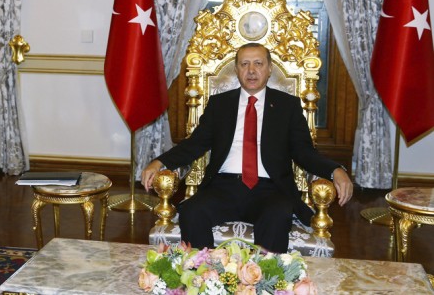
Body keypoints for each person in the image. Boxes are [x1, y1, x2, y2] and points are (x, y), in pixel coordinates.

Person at [141, 43, 353, 253]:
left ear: (269, 69)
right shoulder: (220, 104)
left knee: (278, 214)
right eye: (245, 64)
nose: (251, 70)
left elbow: (304, 152)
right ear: (236, 69)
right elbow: (195, 144)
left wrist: (335, 170)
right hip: (223, 186)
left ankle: (266, 281)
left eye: (258, 63)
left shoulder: (287, 106)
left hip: (270, 189)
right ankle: (204, 277)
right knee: (193, 212)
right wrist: (159, 163)